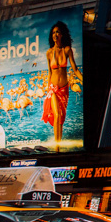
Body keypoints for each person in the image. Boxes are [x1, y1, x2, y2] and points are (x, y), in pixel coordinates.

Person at [43, 21, 82, 150]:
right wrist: (47, 90)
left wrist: (83, 80)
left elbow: (75, 69)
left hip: (64, 89)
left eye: (58, 32)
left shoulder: (67, 50)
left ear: (61, 35)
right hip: (53, 88)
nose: (55, 35)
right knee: (57, 115)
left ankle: (58, 145)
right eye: (53, 33)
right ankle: (57, 148)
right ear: (52, 36)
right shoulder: (49, 53)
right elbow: (49, 72)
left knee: (61, 119)